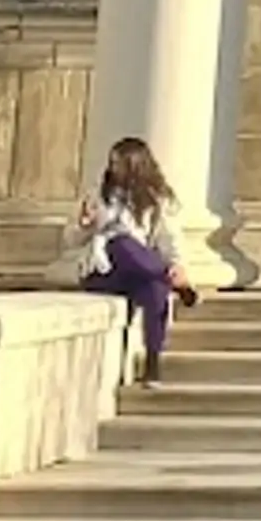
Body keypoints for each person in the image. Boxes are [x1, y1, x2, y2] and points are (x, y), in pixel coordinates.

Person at [69, 134, 198, 384]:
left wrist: (178, 263)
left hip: (139, 271)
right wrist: (84, 226)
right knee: (121, 241)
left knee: (156, 288)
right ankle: (171, 279)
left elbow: (169, 238)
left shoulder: (157, 200)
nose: (114, 169)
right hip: (102, 269)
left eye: (120, 164)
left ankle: (152, 363)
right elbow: (70, 241)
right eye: (112, 163)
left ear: (136, 167)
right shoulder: (96, 195)